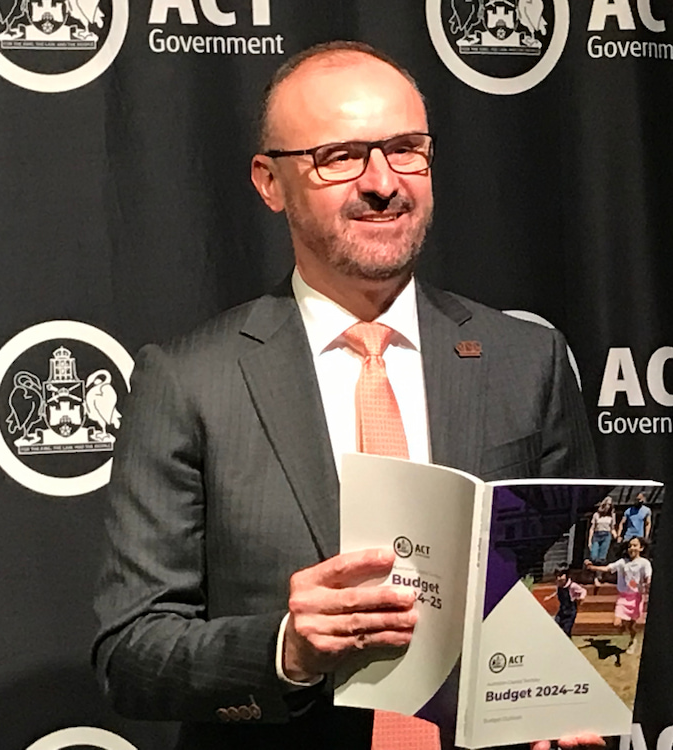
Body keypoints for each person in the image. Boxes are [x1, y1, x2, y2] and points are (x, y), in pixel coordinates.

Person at [92, 40, 601, 750]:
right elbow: (131, 655)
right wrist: (286, 651)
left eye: (405, 149)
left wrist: (564, 704)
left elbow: (578, 594)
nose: (382, 182)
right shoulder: (189, 382)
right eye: (340, 156)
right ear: (270, 183)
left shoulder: (527, 360)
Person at [585, 537, 652, 655]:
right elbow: (607, 568)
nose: (632, 548)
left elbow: (648, 577)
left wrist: (648, 583)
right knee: (617, 622)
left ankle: (633, 640)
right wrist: (592, 567)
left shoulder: (644, 563)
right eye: (630, 546)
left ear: (641, 548)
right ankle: (627, 632)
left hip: (636, 597)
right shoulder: (622, 562)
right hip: (623, 597)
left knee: (631, 623)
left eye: (635, 545)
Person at [543, 566, 587, 637]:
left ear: (566, 576)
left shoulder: (572, 586)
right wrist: (550, 597)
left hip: (570, 611)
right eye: (557, 576)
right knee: (556, 625)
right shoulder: (559, 586)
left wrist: (582, 597)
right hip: (562, 610)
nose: (559, 578)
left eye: (561, 576)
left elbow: (583, 590)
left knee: (566, 630)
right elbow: (557, 592)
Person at [586, 496, 616, 589]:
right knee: (594, 556)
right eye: (606, 504)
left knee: (601, 558)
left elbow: (612, 528)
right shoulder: (596, 515)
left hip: (606, 536)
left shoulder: (612, 515)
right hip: (597, 535)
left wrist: (615, 535)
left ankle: (597, 577)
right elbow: (592, 528)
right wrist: (589, 540)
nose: (607, 506)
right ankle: (593, 574)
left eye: (609, 505)